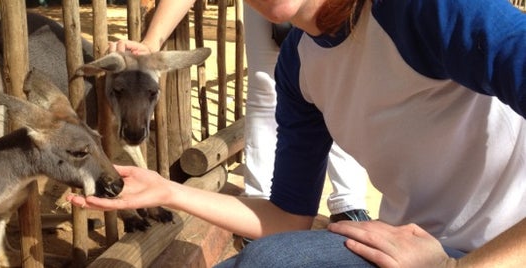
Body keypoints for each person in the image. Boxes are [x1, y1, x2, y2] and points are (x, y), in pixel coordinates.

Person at [72, 0, 526, 266]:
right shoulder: (299, 62)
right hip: (411, 248)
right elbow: (288, 217)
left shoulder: (423, 10)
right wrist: (167, 191)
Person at [112, 0, 372, 223]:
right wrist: (151, 41)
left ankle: (348, 201)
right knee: (265, 88)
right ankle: (260, 200)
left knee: (337, 79)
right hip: (268, 14)